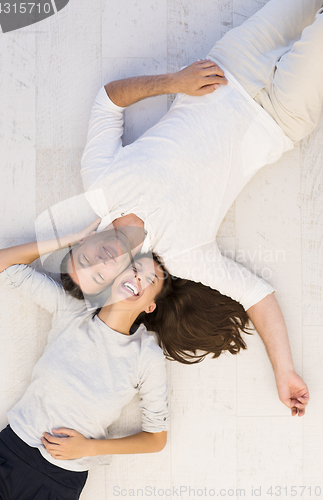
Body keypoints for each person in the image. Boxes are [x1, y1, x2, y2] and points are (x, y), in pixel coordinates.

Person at [57, 0, 322, 416]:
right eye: (98, 276)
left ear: (84, 239)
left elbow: (108, 101)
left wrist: (175, 81)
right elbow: (258, 296)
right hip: (279, 120)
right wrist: (283, 370)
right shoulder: (184, 255)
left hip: (230, 66)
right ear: (115, 281)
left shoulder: (100, 183)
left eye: (83, 260)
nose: (98, 262)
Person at [0, 232, 171, 499]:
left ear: (150, 306)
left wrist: (89, 448)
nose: (137, 279)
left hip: (59, 482)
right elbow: (1, 262)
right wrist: (72, 239)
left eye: (149, 279)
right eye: (133, 269)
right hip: (7, 452)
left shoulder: (147, 356)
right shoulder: (72, 309)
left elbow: (156, 439)